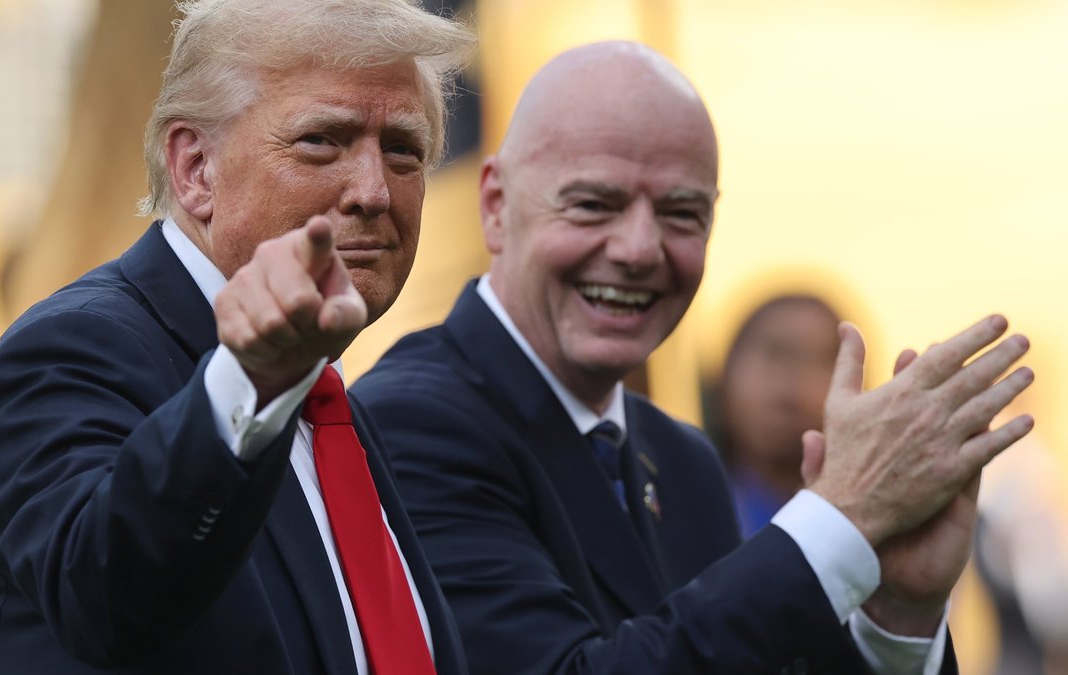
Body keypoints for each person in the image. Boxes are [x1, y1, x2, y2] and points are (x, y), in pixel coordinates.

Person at [352, 41, 1035, 674]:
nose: (639, 249)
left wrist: (898, 617)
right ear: (497, 206)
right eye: (594, 204)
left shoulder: (679, 458)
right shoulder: (410, 426)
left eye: (682, 213)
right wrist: (841, 519)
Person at [0, 1, 474, 673]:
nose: (373, 191)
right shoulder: (71, 351)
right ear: (195, 168)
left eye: (403, 150)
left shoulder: (321, 407)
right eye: (322, 140)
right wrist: (250, 384)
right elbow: (110, 597)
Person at [704, 294, 842, 536]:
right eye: (774, 354)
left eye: (820, 359)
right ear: (724, 382)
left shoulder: (868, 531)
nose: (793, 382)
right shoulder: (679, 511)